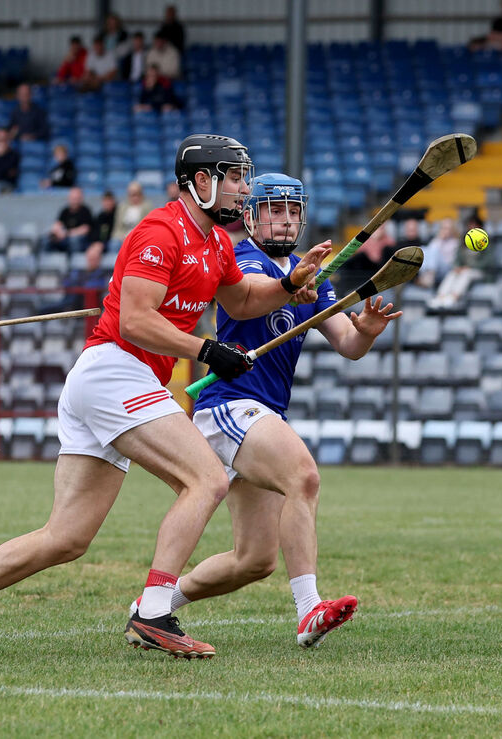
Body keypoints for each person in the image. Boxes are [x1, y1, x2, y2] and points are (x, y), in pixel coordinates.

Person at [0, 135, 329, 661]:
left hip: (115, 382)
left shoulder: (217, 244)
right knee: (206, 478)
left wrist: (289, 285)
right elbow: (135, 320)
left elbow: (241, 300)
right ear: (202, 183)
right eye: (235, 178)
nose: (244, 189)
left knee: (66, 538)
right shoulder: (160, 230)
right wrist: (207, 349)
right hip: (115, 373)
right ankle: (153, 612)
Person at [179, 173, 399, 649]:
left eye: (293, 211)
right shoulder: (237, 258)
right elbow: (254, 293)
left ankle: (155, 606)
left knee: (253, 560)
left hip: (263, 416)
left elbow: (347, 343)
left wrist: (367, 330)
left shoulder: (309, 274)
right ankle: (308, 610)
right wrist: (290, 284)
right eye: (274, 210)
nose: (285, 219)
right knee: (304, 475)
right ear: (253, 215)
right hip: (228, 405)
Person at [44, 187, 94, 253]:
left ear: (81, 198)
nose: (74, 201)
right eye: (72, 198)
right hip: (64, 238)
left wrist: (67, 234)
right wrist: (57, 232)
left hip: (80, 241)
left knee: (74, 240)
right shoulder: (65, 211)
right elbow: (57, 224)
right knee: (46, 239)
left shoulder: (86, 211)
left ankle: (75, 262)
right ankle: (49, 261)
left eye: (76, 198)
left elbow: (85, 229)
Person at [112, 180, 150, 246]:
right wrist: (121, 236)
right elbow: (117, 227)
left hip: (139, 237)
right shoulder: (122, 207)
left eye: (137, 194)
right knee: (114, 244)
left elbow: (148, 227)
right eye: (132, 194)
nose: (135, 197)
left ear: (141, 194)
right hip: (122, 237)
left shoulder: (147, 207)